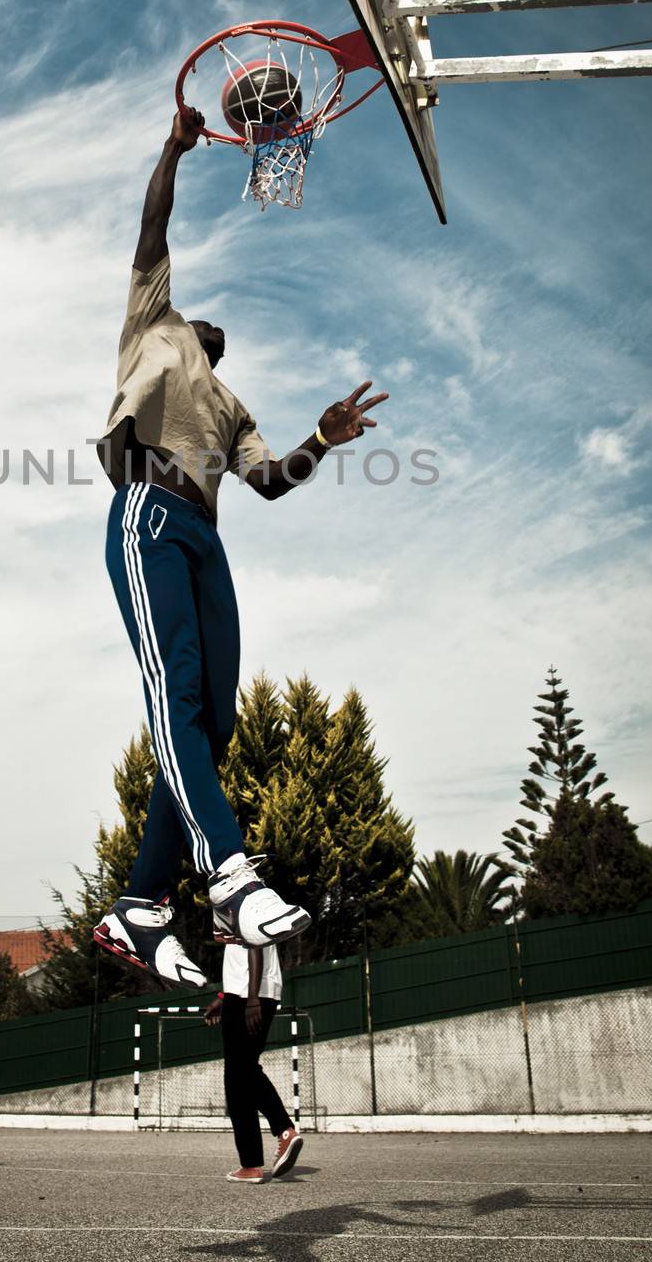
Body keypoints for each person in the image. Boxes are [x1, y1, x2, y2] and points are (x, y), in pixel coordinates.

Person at [93, 107, 387, 986]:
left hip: (205, 539)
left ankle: (141, 906)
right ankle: (226, 875)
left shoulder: (230, 405)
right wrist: (173, 148)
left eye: (217, 336)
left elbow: (268, 481)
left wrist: (323, 440)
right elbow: (155, 224)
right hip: (147, 510)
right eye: (204, 324)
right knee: (174, 699)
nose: (211, 331)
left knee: (214, 724)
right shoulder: (155, 321)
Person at [205, 942, 303, 1183]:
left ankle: (283, 1131)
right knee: (241, 1076)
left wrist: (251, 999)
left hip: (248, 995)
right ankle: (250, 1164)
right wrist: (223, 996)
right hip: (246, 993)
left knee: (241, 1072)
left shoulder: (242, 902)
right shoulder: (260, 903)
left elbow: (254, 944)